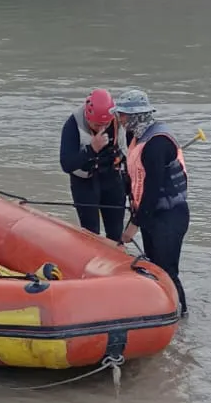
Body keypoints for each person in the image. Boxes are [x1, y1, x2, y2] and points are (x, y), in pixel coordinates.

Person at [113, 88, 189, 315]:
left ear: (136, 116)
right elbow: (137, 177)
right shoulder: (135, 136)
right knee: (153, 267)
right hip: (151, 216)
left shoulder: (157, 144)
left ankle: (181, 314)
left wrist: (133, 226)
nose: (120, 119)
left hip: (170, 217)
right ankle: (161, 311)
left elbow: (153, 190)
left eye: (124, 115)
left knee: (167, 270)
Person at [59, 88, 127, 241]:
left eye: (105, 124)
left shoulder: (118, 120)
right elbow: (66, 164)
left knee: (115, 232)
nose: (102, 129)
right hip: (84, 182)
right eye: (97, 125)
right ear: (88, 117)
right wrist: (91, 149)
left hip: (112, 177)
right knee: (91, 231)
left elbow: (129, 153)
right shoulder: (73, 125)